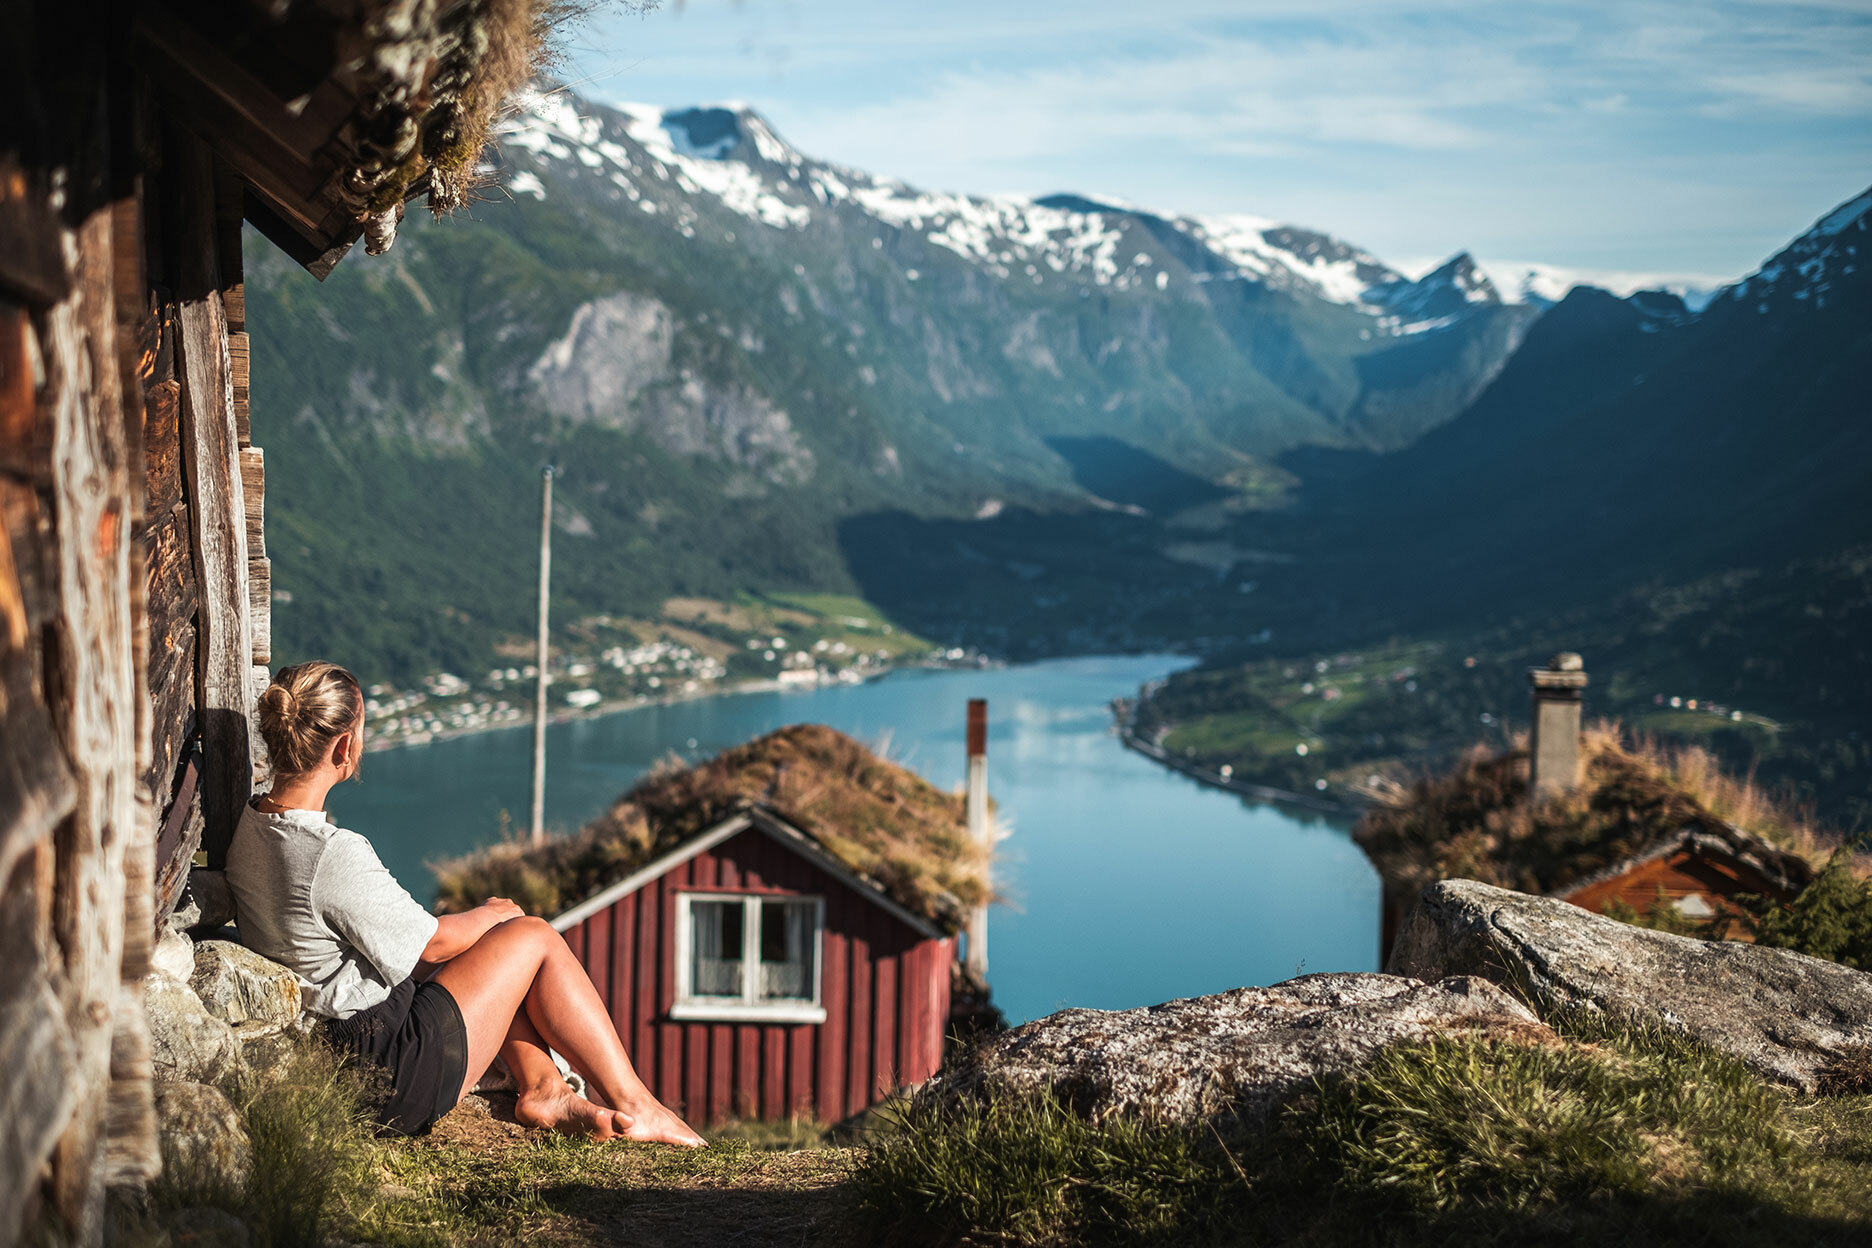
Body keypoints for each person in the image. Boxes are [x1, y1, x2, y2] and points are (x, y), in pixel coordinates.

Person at [224, 659, 703, 1144]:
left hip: (342, 1052)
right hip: (392, 1069)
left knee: (487, 954)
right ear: (345, 746)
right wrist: (498, 914)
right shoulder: (330, 852)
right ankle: (638, 1106)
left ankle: (546, 1089)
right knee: (532, 936)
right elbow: (433, 943)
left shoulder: (251, 826)